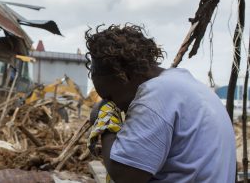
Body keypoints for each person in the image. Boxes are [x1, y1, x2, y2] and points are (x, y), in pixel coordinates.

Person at [85, 24, 236, 183]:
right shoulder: (187, 85)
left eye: (110, 96)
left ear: (125, 76)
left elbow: (125, 177)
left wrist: (105, 123)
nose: (110, 103)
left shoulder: (154, 96)